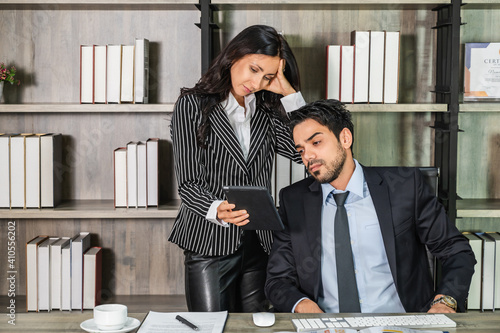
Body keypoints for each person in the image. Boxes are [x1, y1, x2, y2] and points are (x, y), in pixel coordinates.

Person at [265, 99, 476, 314]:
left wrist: (445, 301)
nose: (307, 156)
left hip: (399, 325)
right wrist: (302, 304)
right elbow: (278, 279)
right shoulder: (294, 200)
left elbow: (456, 250)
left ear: (345, 138)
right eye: (301, 150)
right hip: (327, 326)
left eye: (316, 143)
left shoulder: (404, 187)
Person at [169, 25, 305, 313]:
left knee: (256, 327)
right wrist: (216, 208)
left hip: (258, 241)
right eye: (254, 69)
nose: (256, 82)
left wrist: (289, 94)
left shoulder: (267, 110)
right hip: (209, 241)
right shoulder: (192, 105)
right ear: (234, 55)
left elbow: (302, 151)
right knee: (211, 328)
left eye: (267, 76)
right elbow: (188, 184)